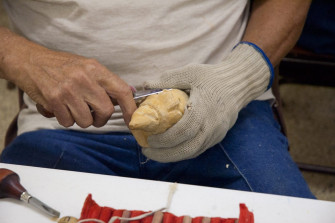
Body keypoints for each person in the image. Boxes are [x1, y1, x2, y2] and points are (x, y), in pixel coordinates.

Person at [0, 0, 315, 198]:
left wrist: (236, 77)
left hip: (225, 112)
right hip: (63, 129)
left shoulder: (228, 95)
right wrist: (21, 57)